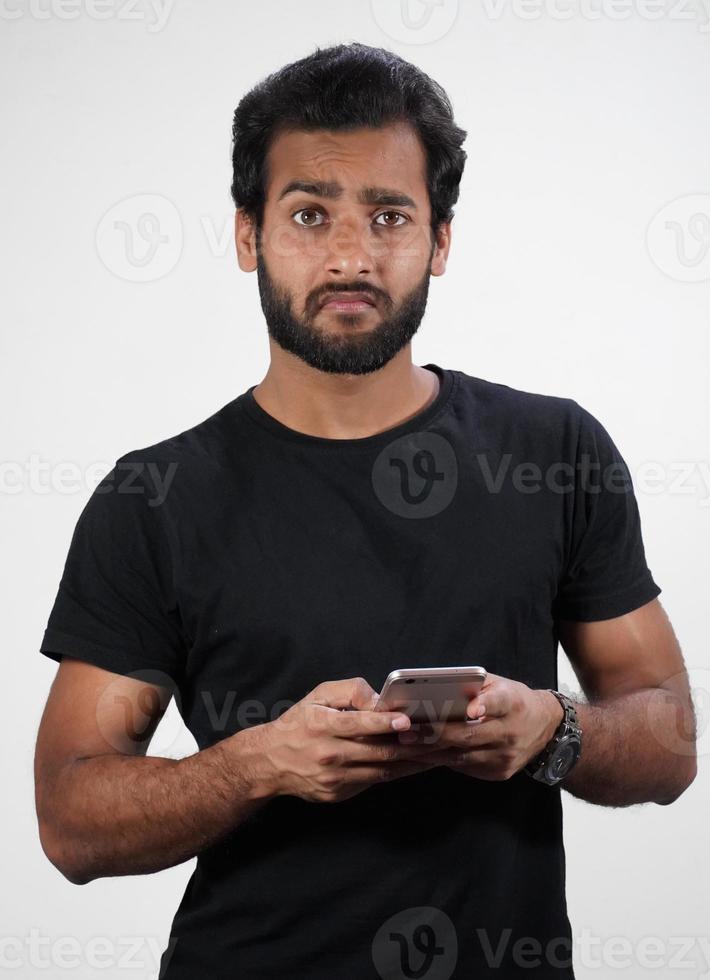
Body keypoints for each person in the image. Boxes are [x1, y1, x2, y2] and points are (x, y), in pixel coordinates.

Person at [34, 42, 696, 980]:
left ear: (440, 240)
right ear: (247, 236)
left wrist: (553, 729)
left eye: (390, 216)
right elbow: (69, 818)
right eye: (309, 214)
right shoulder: (154, 499)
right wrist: (260, 763)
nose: (351, 255)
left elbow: (670, 739)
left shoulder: (555, 454)